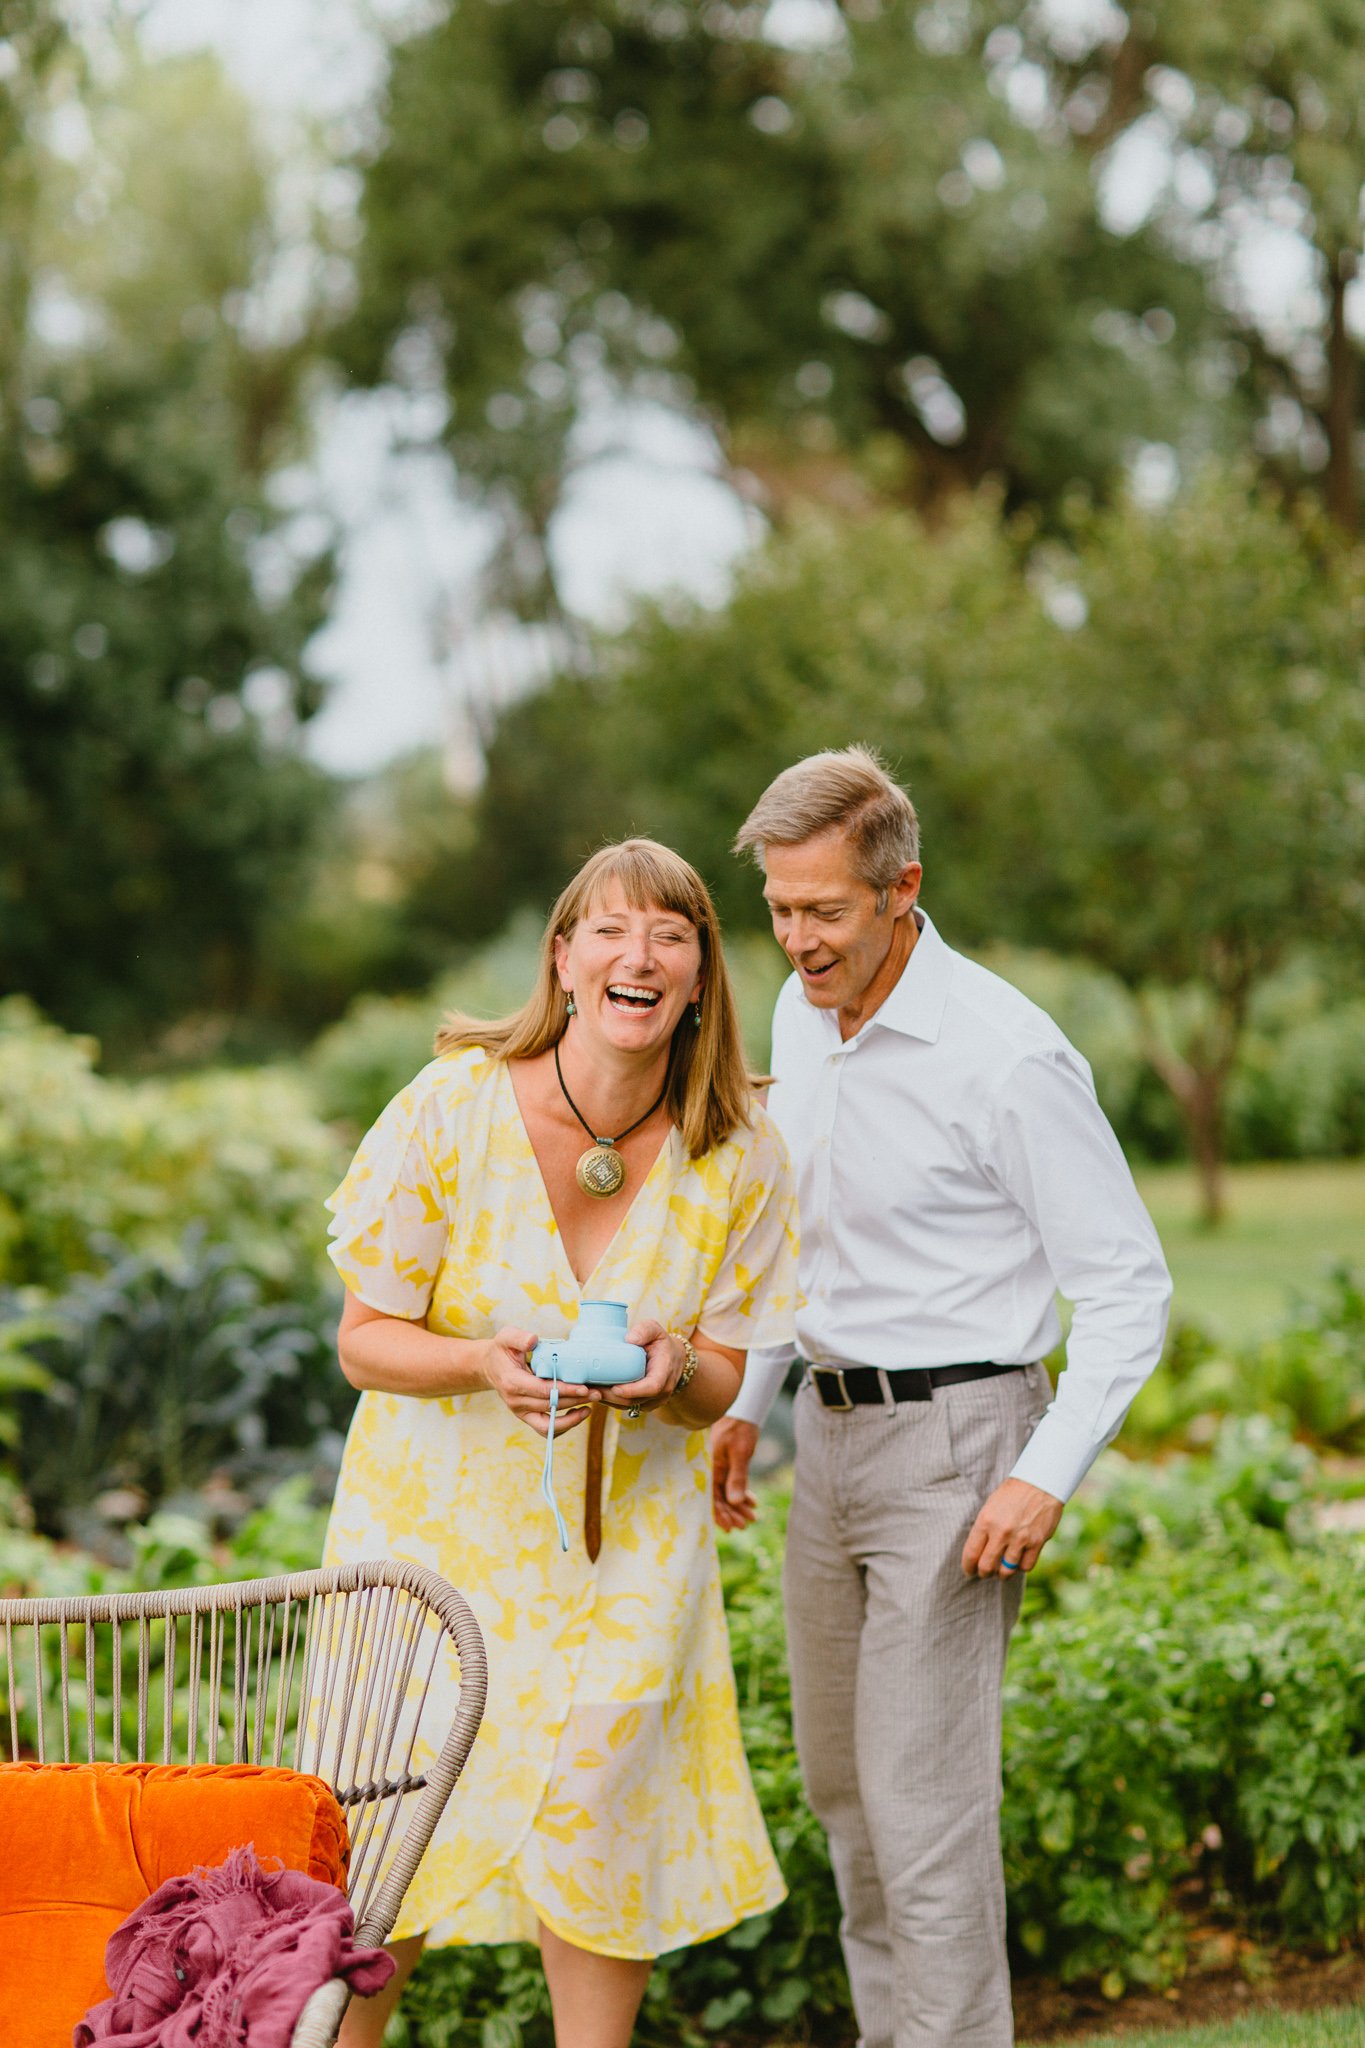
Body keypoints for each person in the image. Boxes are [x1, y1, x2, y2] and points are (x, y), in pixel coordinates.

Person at [710, 748, 1172, 2048]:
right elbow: (796, 1243)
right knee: (845, 1800)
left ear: (902, 889)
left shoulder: (1006, 1056)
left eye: (826, 912)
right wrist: (750, 1394)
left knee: (923, 1812)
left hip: (962, 1446)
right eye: (781, 910)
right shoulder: (806, 1017)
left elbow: (1128, 1288)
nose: (798, 940)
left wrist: (1045, 1472)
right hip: (831, 1443)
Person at [323, 838, 798, 2048]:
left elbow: (728, 1374)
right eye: (611, 930)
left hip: (625, 1545)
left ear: (700, 978)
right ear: (564, 957)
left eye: (672, 935)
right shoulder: (453, 1106)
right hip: (431, 1537)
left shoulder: (738, 1153)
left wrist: (674, 1367)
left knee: (601, 1811)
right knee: (396, 1826)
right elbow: (365, 1339)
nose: (640, 955)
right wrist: (483, 1360)